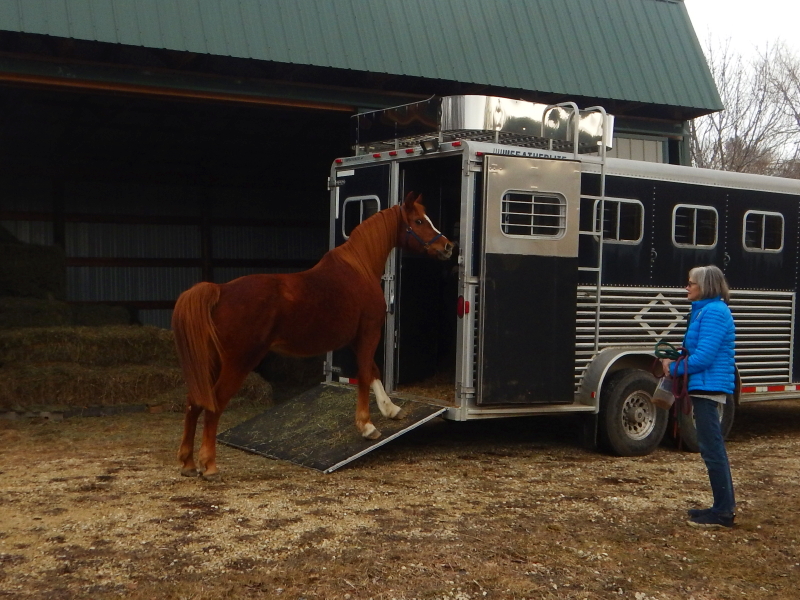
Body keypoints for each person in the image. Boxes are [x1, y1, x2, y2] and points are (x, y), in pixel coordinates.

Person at [660, 265, 736, 529]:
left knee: (712, 449)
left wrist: (673, 368)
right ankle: (720, 507)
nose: (687, 287)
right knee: (710, 447)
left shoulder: (714, 312)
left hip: (708, 387)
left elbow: (704, 357)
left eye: (691, 283)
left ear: (704, 286)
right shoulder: (706, 311)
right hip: (704, 386)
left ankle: (723, 512)